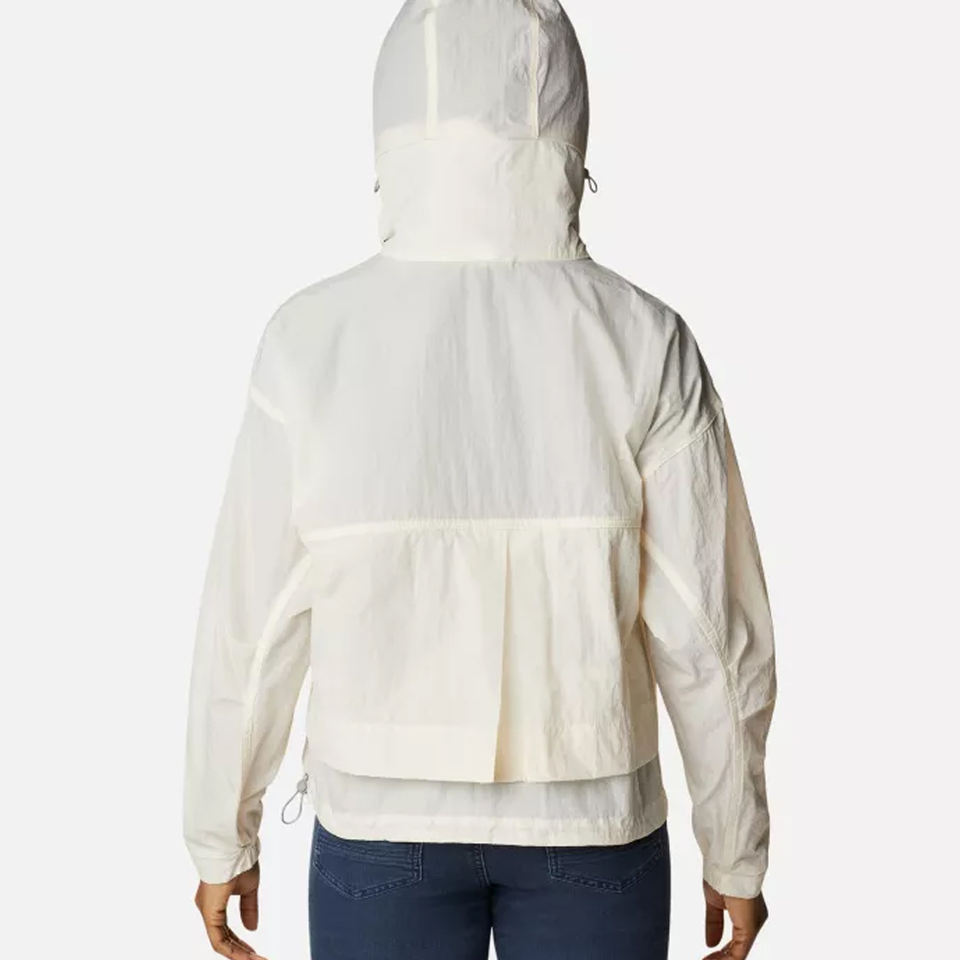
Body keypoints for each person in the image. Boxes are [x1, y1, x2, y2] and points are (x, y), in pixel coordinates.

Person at [183, 2, 777, 958]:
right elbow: (709, 630)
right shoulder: (644, 338)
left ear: (393, 122)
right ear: (570, 123)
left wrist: (224, 831)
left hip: (381, 821)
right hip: (591, 822)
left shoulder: (309, 340)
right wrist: (735, 851)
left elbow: (253, 623)